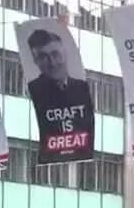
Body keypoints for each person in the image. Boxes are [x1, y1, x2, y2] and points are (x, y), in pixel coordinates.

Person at [24, 27, 94, 163]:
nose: (52, 62)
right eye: (43, 57)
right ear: (35, 61)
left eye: (55, 54)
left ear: (65, 54)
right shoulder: (33, 90)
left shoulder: (83, 88)